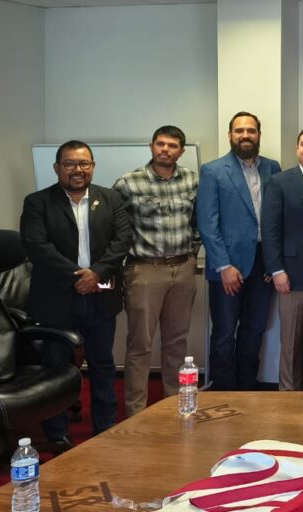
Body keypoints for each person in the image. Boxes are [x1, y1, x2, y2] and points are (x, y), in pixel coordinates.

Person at [20, 140, 131, 448]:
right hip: (56, 299)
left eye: (84, 164)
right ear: (57, 168)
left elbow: (122, 241)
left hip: (100, 294)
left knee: (103, 365)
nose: (77, 170)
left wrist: (96, 273)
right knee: (56, 367)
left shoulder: (111, 199)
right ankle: (57, 436)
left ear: (92, 166)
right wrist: (76, 276)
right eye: (69, 164)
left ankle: (105, 429)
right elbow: (37, 246)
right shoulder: (37, 202)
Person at [113, 126, 200, 417]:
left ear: (181, 151)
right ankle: (135, 414)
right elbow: (115, 227)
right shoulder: (128, 183)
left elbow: (198, 221)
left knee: (177, 342)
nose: (165, 149)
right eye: (160, 144)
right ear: (151, 146)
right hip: (145, 270)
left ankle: (174, 406)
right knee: (140, 345)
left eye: (172, 145)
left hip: (183, 268)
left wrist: (192, 253)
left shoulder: (191, 179)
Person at [198, 111, 281, 390]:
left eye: (251, 130)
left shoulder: (273, 168)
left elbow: (278, 219)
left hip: (263, 264)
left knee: (254, 331)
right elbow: (207, 224)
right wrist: (223, 266)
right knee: (224, 334)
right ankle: (222, 393)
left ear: (259, 134)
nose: (245, 135)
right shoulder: (213, 170)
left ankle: (247, 392)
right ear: (230, 135)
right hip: (228, 266)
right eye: (239, 130)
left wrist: (274, 263)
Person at [260, 127, 303, 391]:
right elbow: (270, 229)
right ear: (296, 149)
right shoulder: (280, 182)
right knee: (290, 344)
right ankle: (288, 398)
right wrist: (276, 269)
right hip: (291, 275)